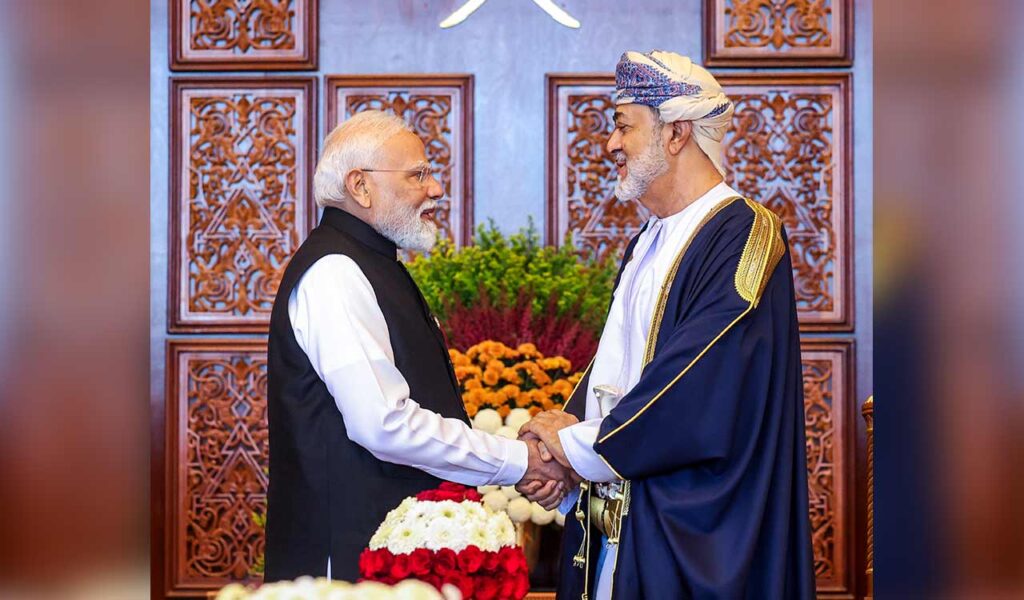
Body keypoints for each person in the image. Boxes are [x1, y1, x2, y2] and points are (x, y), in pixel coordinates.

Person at [519, 50, 816, 599]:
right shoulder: (648, 240)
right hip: (618, 532)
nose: (611, 144)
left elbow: (698, 379)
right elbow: (615, 371)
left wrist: (575, 446)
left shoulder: (745, 232)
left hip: (694, 537)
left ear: (676, 133)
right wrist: (564, 448)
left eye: (623, 126)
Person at [264, 110, 574, 582]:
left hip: (387, 554)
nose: (436, 189)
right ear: (360, 186)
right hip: (348, 565)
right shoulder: (335, 272)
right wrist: (521, 460)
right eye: (418, 175)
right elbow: (383, 424)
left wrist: (520, 464)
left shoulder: (373, 263)